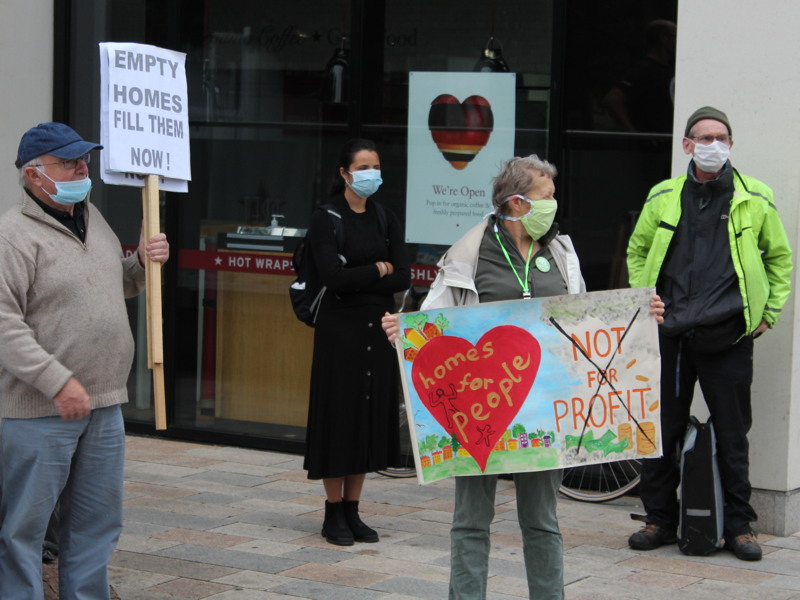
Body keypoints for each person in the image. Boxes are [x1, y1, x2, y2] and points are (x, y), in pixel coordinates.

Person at [383, 155, 642, 600]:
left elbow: (582, 318)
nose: (554, 204)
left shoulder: (561, 250)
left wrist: (639, 319)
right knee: (470, 520)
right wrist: (402, 332)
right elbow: (434, 322)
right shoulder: (469, 251)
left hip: (542, 410)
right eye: (547, 196)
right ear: (518, 203)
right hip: (478, 410)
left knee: (542, 520)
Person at [0, 121, 170, 598]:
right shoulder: (12, 237)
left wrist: (142, 264)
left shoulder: (92, 217)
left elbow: (114, 285)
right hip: (42, 409)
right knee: (24, 531)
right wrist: (56, 380)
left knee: (96, 526)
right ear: (35, 175)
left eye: (84, 159)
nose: (82, 168)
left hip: (104, 402)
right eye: (69, 162)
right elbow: (4, 324)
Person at [626, 106, 793, 561]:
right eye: (704, 137)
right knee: (662, 430)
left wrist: (768, 312)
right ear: (687, 145)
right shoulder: (664, 194)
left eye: (722, 137)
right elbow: (638, 249)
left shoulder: (754, 196)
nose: (714, 145)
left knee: (734, 433)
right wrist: (645, 301)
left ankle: (740, 526)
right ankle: (660, 518)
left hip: (729, 335)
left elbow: (780, 259)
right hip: (672, 334)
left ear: (731, 145)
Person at [303, 138, 411, 546]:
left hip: (379, 327)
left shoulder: (385, 217)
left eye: (376, 166)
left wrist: (367, 271)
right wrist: (378, 268)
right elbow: (333, 278)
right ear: (344, 173)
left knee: (367, 417)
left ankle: (354, 509)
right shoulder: (326, 218)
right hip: (339, 330)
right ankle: (333, 511)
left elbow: (404, 275)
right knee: (339, 417)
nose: (372, 174)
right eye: (363, 167)